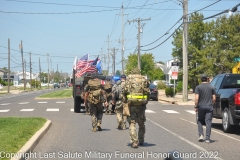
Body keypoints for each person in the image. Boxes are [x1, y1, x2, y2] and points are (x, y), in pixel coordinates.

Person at [123, 68, 150, 148]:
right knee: (141, 124)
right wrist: (145, 102)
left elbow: (124, 91)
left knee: (132, 123)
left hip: (131, 104)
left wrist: (125, 101)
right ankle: (141, 140)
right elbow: (147, 92)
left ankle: (134, 141)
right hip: (141, 104)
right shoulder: (144, 79)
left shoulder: (129, 79)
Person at [195, 74, 216, 143]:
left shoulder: (198, 87)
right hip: (209, 106)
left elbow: (196, 98)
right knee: (208, 122)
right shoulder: (212, 87)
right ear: (207, 79)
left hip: (201, 106)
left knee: (200, 120)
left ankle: (201, 135)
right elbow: (214, 98)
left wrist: (196, 106)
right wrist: (212, 104)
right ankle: (207, 138)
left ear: (201, 79)